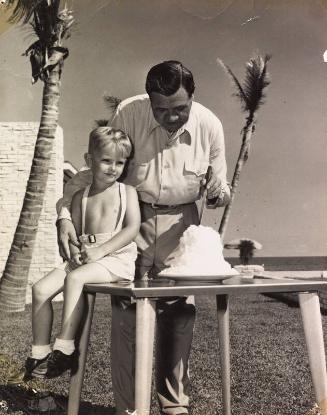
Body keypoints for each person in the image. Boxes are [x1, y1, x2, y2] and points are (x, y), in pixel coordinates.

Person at [57, 61, 230, 415]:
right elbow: (99, 172)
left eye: (180, 109)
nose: (170, 118)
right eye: (161, 110)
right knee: (127, 317)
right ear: (149, 100)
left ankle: (173, 405)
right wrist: (63, 214)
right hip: (129, 218)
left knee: (179, 316)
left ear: (192, 99)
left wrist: (216, 191)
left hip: (183, 223)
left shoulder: (210, 125)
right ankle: (130, 409)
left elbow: (221, 189)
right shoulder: (129, 113)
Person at [14, 126, 140, 381]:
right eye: (106, 160)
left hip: (116, 258)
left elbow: (132, 228)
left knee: (75, 279)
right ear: (88, 160)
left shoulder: (127, 193)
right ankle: (39, 352)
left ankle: (65, 347)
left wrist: (101, 250)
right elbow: (77, 234)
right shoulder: (80, 197)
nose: (113, 168)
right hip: (86, 256)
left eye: (119, 162)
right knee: (40, 289)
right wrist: (74, 253)